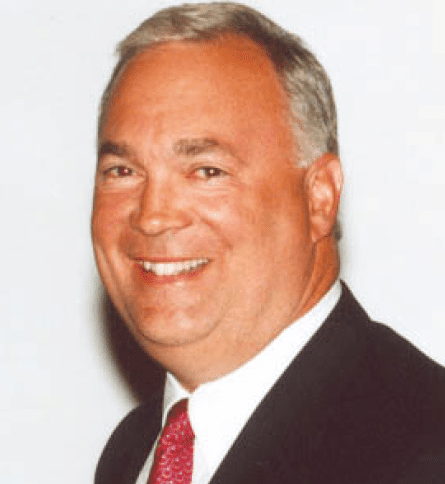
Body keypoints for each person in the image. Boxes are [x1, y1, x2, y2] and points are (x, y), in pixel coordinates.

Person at [92, 3, 445, 483]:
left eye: (207, 171)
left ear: (319, 198)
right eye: (123, 171)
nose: (152, 216)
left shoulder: (422, 446)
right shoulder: (134, 450)